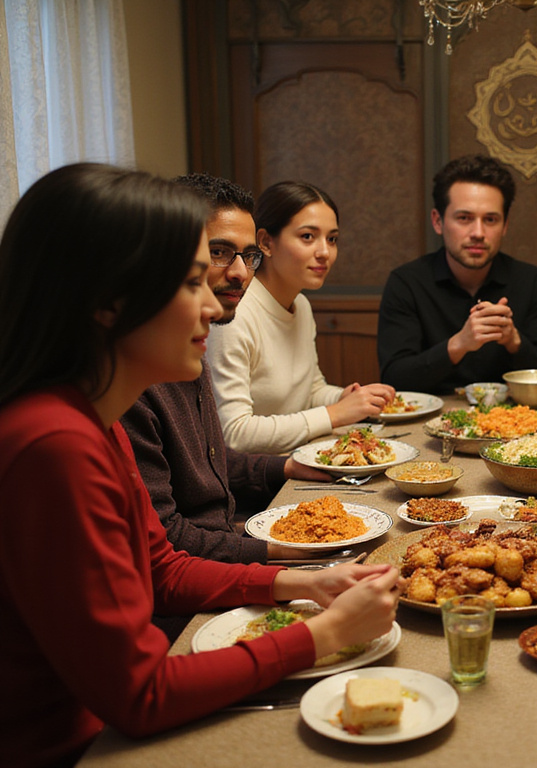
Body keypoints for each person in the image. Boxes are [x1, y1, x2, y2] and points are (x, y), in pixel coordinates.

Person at [0, 164, 400, 768]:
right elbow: (139, 696)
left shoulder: (89, 416)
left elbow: (158, 566)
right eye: (192, 282)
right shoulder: (53, 444)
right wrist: (324, 634)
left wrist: (301, 582)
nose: (214, 304)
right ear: (109, 302)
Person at [121, 173, 330, 565]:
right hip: (203, 572)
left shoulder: (189, 346)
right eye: (218, 253)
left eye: (247, 256)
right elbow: (166, 549)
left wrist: (286, 466)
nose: (240, 273)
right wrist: (284, 557)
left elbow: (209, 461)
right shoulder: (130, 383)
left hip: (226, 541)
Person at [207, 181, 395, 453]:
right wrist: (334, 414)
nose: (324, 253)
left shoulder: (301, 306)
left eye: (332, 239)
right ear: (266, 242)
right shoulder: (233, 313)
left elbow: (310, 389)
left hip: (297, 457)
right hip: (257, 479)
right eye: (308, 236)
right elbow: (234, 433)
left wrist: (348, 397)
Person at [377, 154, 537, 394]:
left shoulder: (532, 281)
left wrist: (514, 341)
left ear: (505, 225)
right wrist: (458, 344)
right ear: (438, 221)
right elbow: (394, 379)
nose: (478, 232)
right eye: (464, 218)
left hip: (514, 421)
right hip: (429, 422)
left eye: (491, 220)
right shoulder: (407, 282)